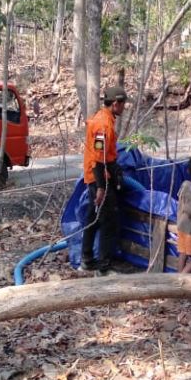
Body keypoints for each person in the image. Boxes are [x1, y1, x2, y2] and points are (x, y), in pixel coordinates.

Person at [80, 86, 129, 273]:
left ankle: (86, 259)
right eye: (123, 104)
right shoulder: (103, 126)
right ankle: (104, 267)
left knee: (92, 217)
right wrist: (101, 187)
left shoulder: (103, 118)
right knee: (109, 221)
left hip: (99, 175)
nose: (124, 107)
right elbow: (98, 158)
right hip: (100, 178)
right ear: (115, 103)